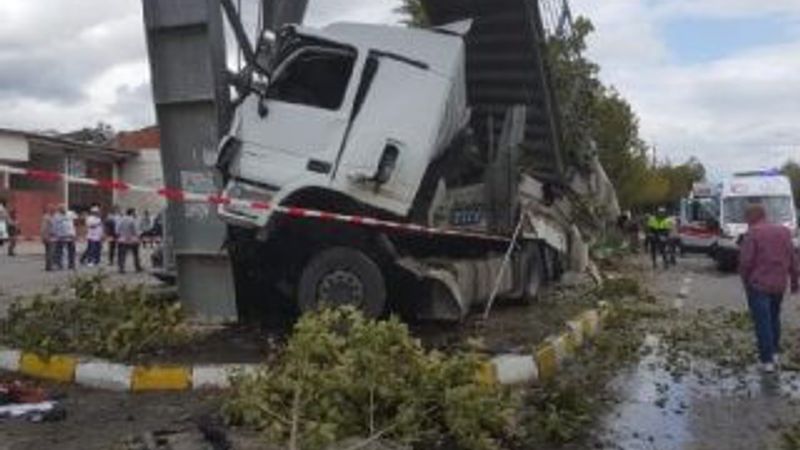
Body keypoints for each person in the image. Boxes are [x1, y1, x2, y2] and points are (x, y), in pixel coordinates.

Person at [739, 203, 798, 373]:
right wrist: (794, 281)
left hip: (758, 285)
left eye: (746, 217)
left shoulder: (753, 233)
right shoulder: (784, 232)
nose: (746, 220)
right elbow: (793, 258)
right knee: (774, 318)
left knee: (762, 322)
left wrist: (745, 281)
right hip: (779, 284)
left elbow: (745, 262)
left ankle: (767, 361)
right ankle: (775, 353)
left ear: (752, 217)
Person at [116, 208, 142, 274]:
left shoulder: (121, 219)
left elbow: (117, 230)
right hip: (132, 240)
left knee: (122, 255)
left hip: (122, 239)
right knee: (135, 254)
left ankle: (121, 268)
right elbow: (135, 231)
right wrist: (139, 235)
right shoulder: (132, 220)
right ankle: (137, 267)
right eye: (135, 212)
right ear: (132, 213)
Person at [53, 205, 77, 270]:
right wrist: (55, 235)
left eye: (64, 208)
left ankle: (71, 264)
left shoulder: (70, 213)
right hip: (61, 236)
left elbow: (76, 220)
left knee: (72, 251)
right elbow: (55, 226)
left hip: (71, 235)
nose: (63, 210)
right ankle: (59, 264)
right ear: (59, 210)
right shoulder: (56, 216)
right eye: (61, 209)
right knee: (59, 251)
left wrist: (74, 233)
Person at [41, 205, 56, 271]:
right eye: (53, 210)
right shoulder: (47, 218)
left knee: (49, 252)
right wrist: (44, 236)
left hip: (51, 236)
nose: (54, 211)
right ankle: (49, 266)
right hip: (49, 237)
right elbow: (44, 228)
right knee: (50, 252)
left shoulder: (51, 217)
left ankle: (48, 266)